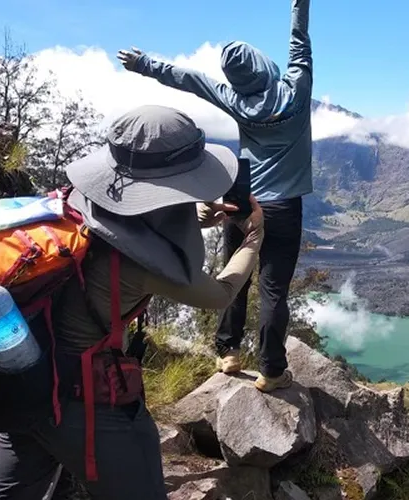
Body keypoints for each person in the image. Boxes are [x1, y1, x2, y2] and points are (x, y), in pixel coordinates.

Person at [0, 104, 264, 500]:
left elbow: (128, 218)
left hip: (27, 377)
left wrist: (196, 216)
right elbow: (220, 294)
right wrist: (253, 239)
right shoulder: (138, 265)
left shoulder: (74, 204)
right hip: (85, 398)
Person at [117, 0, 313, 393]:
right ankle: (272, 371)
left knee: (234, 276)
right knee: (273, 289)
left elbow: (187, 78)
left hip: (241, 200)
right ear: (263, 65)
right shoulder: (296, 89)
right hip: (283, 207)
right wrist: (299, 5)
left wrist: (143, 64)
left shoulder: (234, 99)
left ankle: (228, 353)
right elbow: (299, 43)